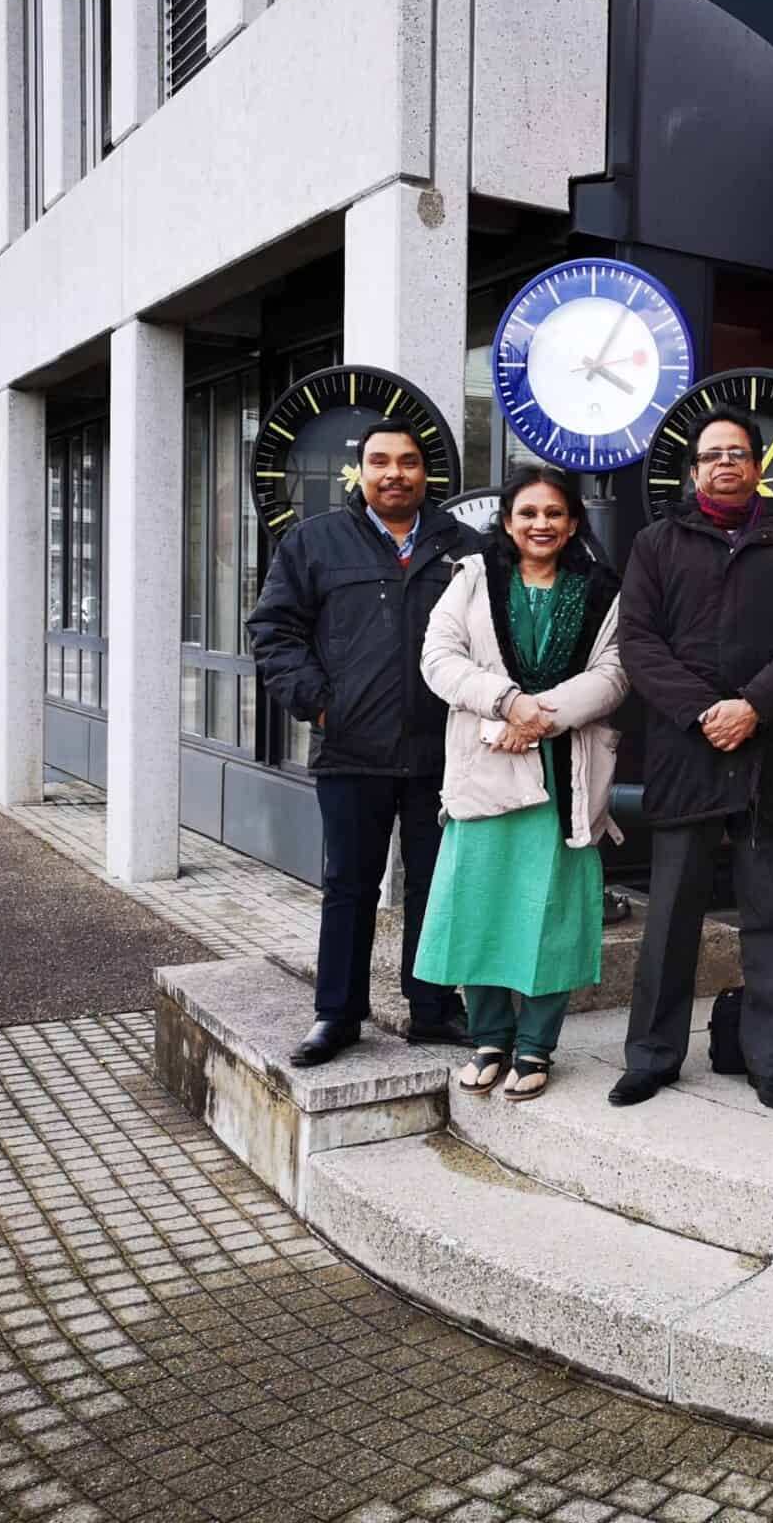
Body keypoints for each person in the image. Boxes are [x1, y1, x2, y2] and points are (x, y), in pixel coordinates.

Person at [610, 406, 773, 1112]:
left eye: (737, 453)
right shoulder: (657, 542)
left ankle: (768, 1060)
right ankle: (652, 1056)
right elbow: (638, 641)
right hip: (687, 753)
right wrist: (704, 711)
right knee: (671, 915)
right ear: (694, 469)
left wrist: (752, 707)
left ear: (758, 465)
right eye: (712, 456)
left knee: (770, 916)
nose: (725, 464)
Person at [248, 418, 472, 1067]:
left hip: (440, 752)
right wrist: (319, 705)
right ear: (361, 471)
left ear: (424, 473)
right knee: (349, 885)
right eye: (380, 462)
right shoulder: (314, 542)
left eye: (406, 462)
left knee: (436, 885)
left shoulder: (463, 545)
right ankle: (337, 1015)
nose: (393, 473)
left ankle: (433, 1009)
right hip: (351, 750)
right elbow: (273, 631)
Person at [413, 465, 627, 1100]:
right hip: (485, 772)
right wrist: (507, 702)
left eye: (555, 514)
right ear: (507, 521)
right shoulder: (475, 579)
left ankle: (534, 1049)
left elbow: (615, 673)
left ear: (573, 524)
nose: (542, 524)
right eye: (528, 513)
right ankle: (488, 1038)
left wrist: (539, 718)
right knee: (479, 905)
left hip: (563, 776)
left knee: (548, 916)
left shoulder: (600, 591)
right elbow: (438, 658)